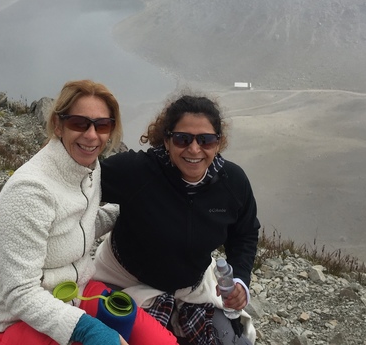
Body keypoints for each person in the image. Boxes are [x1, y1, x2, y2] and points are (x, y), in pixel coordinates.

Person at [0, 79, 178, 345]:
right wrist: (88, 330)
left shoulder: (90, 170)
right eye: (79, 123)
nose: (92, 135)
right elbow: (20, 292)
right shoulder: (29, 191)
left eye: (102, 125)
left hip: (78, 292)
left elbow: (78, 228)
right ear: (58, 125)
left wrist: (132, 209)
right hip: (13, 320)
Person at [96, 94, 260, 345]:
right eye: (183, 139)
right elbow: (80, 184)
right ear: (167, 140)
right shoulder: (137, 172)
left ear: (218, 143)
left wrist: (239, 280)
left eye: (205, 140)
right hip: (123, 281)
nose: (194, 149)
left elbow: (245, 233)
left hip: (192, 289)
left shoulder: (233, 183)